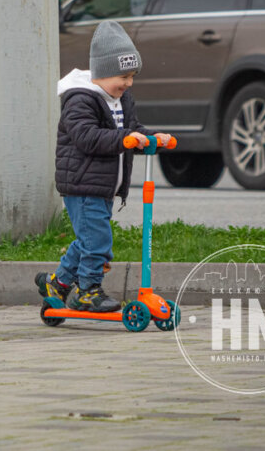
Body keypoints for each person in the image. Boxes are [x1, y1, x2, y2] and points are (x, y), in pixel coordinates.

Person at [35, 20, 170, 312]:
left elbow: (130, 130)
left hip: (104, 185)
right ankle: (88, 291)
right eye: (124, 76)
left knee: (87, 239)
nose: (129, 83)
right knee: (97, 242)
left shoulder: (121, 99)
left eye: (132, 76)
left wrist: (151, 138)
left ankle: (57, 284)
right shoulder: (80, 99)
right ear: (104, 71)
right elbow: (87, 137)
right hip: (82, 184)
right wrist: (126, 139)